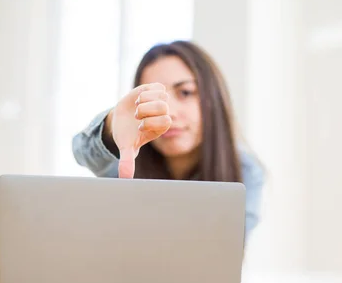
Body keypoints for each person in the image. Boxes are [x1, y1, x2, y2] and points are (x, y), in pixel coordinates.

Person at [72, 40, 265, 240]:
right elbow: (81, 151)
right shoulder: (125, 161)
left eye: (185, 93)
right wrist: (112, 126)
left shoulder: (246, 171)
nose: (168, 113)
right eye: (153, 100)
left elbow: (226, 255)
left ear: (213, 100)